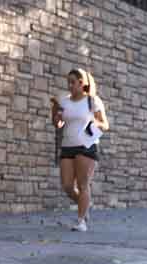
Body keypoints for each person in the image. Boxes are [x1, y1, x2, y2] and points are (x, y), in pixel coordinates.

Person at [50, 68, 109, 232]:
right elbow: (58, 124)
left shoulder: (92, 101)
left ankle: (81, 220)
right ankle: (84, 205)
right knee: (67, 185)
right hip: (68, 146)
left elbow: (105, 124)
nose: (69, 85)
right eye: (68, 82)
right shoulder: (64, 101)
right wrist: (55, 111)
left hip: (87, 146)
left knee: (83, 184)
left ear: (81, 83)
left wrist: (94, 125)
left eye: (72, 82)